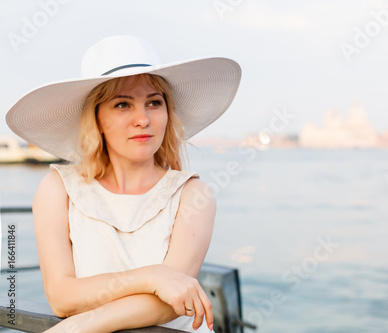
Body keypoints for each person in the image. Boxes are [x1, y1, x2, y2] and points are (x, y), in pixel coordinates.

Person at [6, 35, 241, 332]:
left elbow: (172, 302)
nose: (142, 119)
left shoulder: (193, 196)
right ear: (97, 118)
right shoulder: (58, 190)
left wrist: (74, 328)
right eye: (122, 105)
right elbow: (61, 297)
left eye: (154, 102)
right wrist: (151, 277)